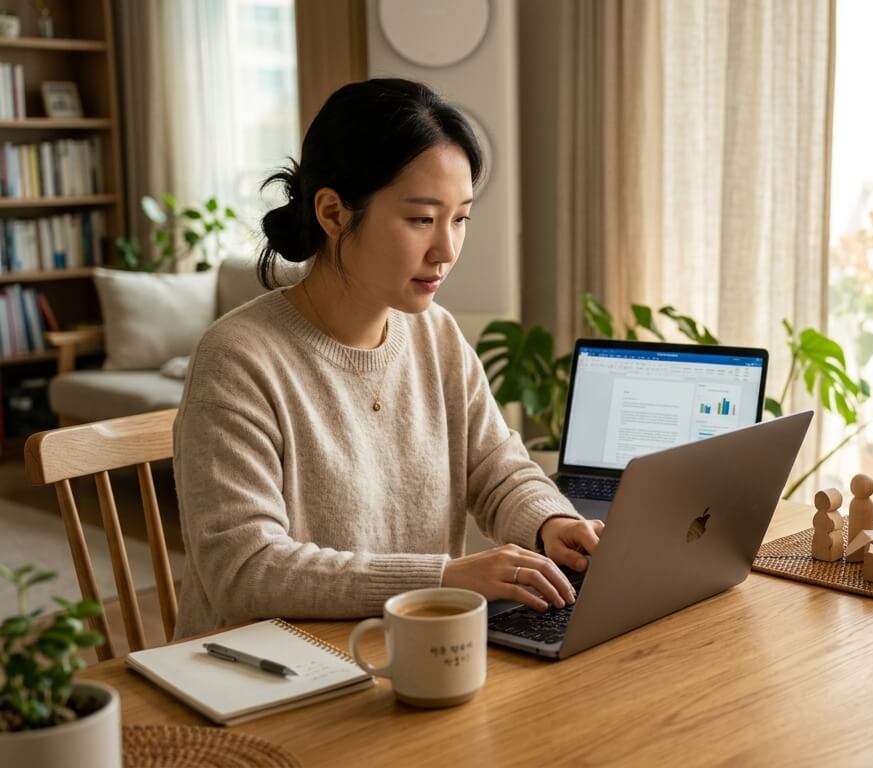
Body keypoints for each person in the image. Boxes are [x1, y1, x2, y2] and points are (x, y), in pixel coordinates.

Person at [172, 78, 601, 638]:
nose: (446, 250)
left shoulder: (436, 336)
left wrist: (551, 520)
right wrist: (443, 578)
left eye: (461, 218)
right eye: (422, 219)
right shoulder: (238, 358)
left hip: (405, 651)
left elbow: (498, 472)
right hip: (268, 673)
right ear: (333, 213)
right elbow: (246, 570)